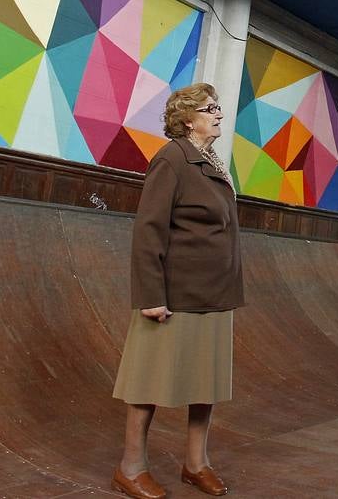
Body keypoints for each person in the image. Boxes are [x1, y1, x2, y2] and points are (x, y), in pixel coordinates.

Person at [111, 84, 242, 499]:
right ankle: (131, 468)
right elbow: (148, 230)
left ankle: (195, 464)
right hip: (174, 293)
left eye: (218, 107)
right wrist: (150, 295)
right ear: (189, 119)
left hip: (215, 292)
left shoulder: (212, 161)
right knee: (147, 381)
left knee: (206, 383)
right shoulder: (172, 159)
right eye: (211, 109)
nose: (219, 114)